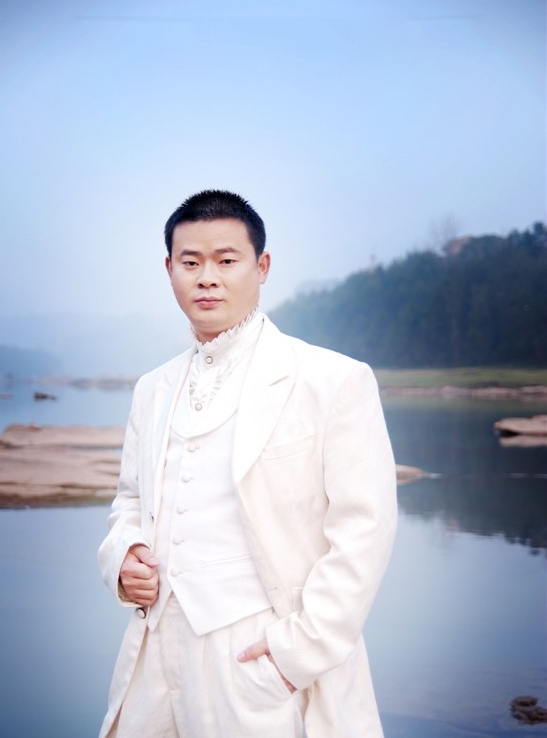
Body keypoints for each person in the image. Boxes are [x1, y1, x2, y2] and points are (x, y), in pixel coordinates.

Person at [98, 189, 397, 738]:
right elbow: (130, 500)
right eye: (190, 263)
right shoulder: (153, 388)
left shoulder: (333, 380)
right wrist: (124, 554)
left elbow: (364, 531)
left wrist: (292, 657)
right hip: (155, 651)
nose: (207, 278)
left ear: (262, 267)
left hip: (260, 654)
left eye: (226, 260)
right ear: (169, 270)